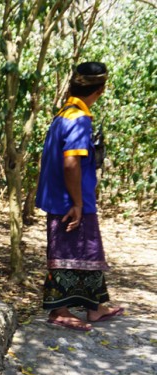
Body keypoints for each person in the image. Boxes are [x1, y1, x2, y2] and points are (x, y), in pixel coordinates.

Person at [35, 61, 123, 331]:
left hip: (72, 199)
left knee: (88, 252)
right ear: (101, 90)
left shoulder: (65, 113)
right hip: (69, 202)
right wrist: (76, 203)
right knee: (65, 254)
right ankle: (59, 311)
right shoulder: (77, 118)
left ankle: (94, 307)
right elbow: (71, 162)